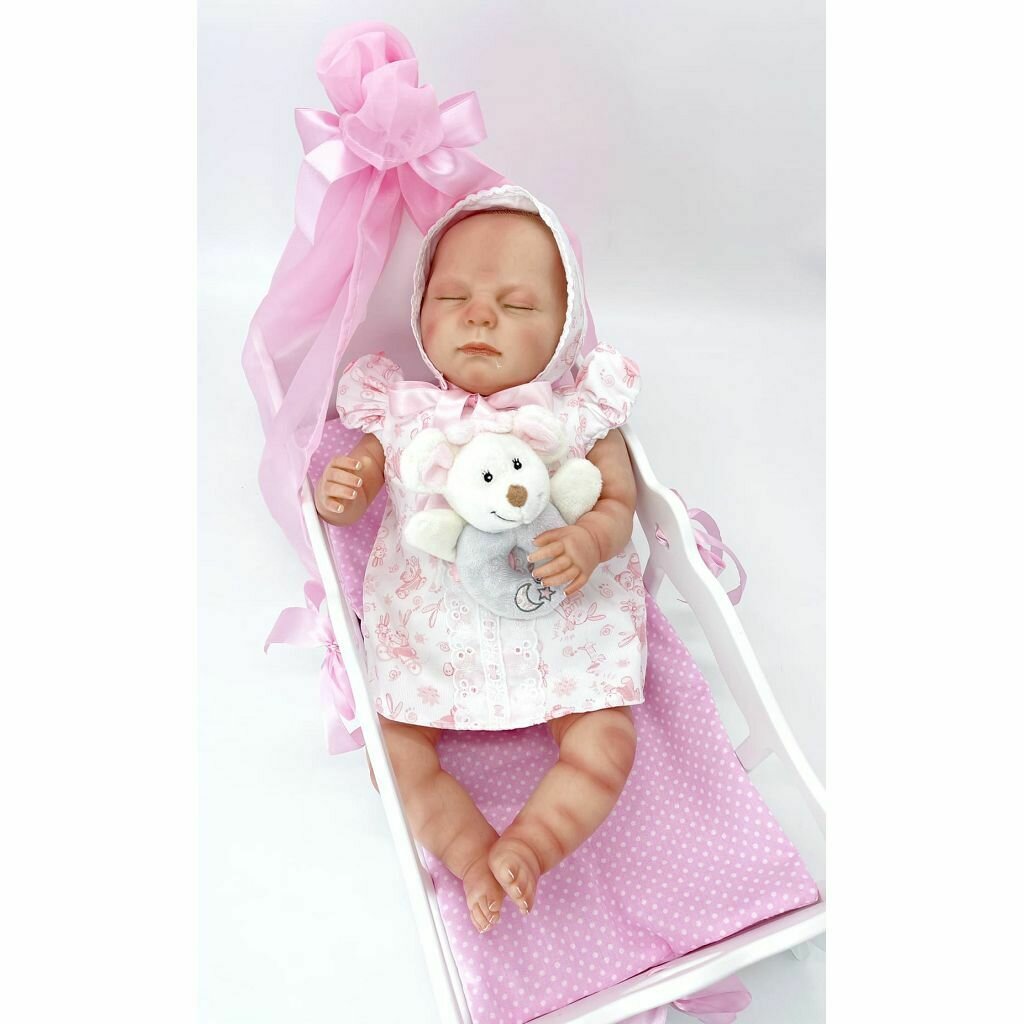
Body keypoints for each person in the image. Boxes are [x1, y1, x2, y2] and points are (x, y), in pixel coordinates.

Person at [314, 185, 646, 934]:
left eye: (517, 304)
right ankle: (470, 857)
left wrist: (591, 539)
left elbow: (618, 503)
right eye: (453, 296)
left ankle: (531, 844)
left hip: (563, 621)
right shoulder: (403, 415)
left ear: (563, 329)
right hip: (437, 632)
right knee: (392, 751)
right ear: (420, 312)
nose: (480, 316)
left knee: (606, 741)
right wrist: (345, 490)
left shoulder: (576, 415)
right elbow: (356, 490)